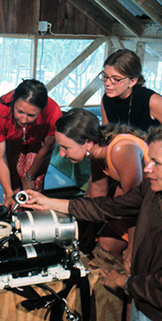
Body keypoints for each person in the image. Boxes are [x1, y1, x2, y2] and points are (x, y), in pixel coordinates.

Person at [25, 125, 162, 321]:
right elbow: (109, 208)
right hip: (141, 305)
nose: (147, 168)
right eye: (149, 160)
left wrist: (123, 282)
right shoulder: (155, 189)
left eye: (157, 163)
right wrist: (50, 203)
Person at [54, 108, 148, 263]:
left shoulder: (121, 149)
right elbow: (98, 192)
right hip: (135, 203)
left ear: (88, 143)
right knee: (107, 244)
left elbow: (132, 206)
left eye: (66, 147)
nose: (62, 154)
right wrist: (88, 232)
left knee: (124, 251)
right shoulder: (96, 153)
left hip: (155, 204)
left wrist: (133, 247)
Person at [0, 79, 62, 209]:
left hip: (38, 142)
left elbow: (47, 148)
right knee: (13, 187)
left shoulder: (53, 112)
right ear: (13, 102)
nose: (24, 119)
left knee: (34, 188)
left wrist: (29, 176)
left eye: (31, 115)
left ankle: (33, 218)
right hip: (12, 140)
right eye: (20, 111)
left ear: (42, 110)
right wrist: (9, 193)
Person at [99, 49, 162, 131]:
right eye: (105, 76)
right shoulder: (106, 99)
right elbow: (106, 134)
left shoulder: (154, 101)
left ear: (133, 81)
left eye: (116, 79)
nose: (107, 83)